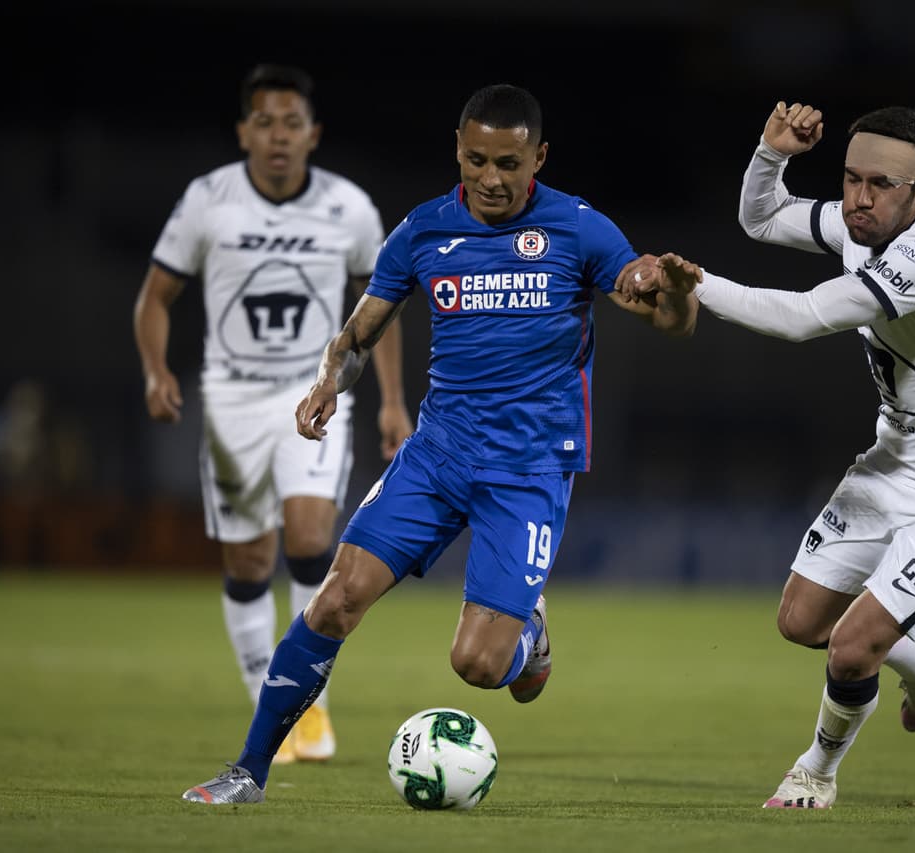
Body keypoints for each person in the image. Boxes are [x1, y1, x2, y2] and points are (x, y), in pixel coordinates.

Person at [180, 82, 698, 804]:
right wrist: (330, 379)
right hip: (437, 456)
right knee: (334, 600)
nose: (490, 178)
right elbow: (359, 331)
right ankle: (248, 772)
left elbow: (660, 312)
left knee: (481, 668)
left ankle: (528, 637)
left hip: (529, 470)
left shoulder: (580, 230)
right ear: (458, 152)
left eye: (508, 163)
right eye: (475, 159)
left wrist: (668, 291)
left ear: (538, 157)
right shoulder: (424, 231)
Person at [620, 101, 915, 809]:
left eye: (880, 185)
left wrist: (697, 285)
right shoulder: (858, 221)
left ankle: (816, 771)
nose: (859, 199)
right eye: (850, 179)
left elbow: (808, 317)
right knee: (803, 623)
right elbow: (761, 216)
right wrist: (770, 153)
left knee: (849, 647)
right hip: (891, 464)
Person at [133, 64, 411, 766]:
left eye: (292, 123)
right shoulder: (209, 200)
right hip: (230, 398)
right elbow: (155, 297)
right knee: (249, 558)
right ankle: (267, 694)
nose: (278, 136)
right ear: (244, 131)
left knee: (312, 536)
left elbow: (378, 308)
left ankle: (305, 704)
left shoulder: (347, 207)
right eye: (265, 122)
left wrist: (392, 400)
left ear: (312, 134)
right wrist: (157, 369)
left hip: (313, 388)